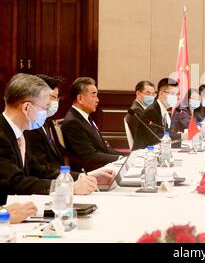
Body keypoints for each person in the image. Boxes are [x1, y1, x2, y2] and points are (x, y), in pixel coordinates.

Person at [0, 74, 113, 206]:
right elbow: (14, 182)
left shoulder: (19, 134)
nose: (46, 112)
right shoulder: (2, 135)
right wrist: (67, 188)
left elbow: (39, 170)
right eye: (44, 107)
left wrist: (84, 177)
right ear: (26, 108)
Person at [62, 77, 122, 171]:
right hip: (90, 173)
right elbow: (90, 156)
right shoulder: (73, 123)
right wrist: (120, 159)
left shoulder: (85, 118)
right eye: (93, 96)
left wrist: (128, 157)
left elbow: (104, 149)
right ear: (80, 98)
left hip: (102, 167)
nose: (97, 100)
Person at [23, 75, 65, 171]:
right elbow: (39, 166)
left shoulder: (44, 122)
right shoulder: (31, 126)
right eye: (53, 97)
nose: (55, 102)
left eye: (57, 98)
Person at [132, 78, 182, 150]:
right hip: (143, 155)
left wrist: (178, 136)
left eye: (177, 94)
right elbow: (155, 138)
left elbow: (165, 134)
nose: (176, 97)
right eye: (172, 94)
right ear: (161, 93)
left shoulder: (164, 111)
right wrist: (180, 137)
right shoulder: (151, 111)